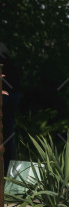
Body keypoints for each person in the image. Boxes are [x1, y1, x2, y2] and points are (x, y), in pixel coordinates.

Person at [0, 42, 22, 177]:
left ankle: (4, 174)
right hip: (11, 91)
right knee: (7, 131)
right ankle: (5, 173)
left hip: (8, 93)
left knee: (6, 132)